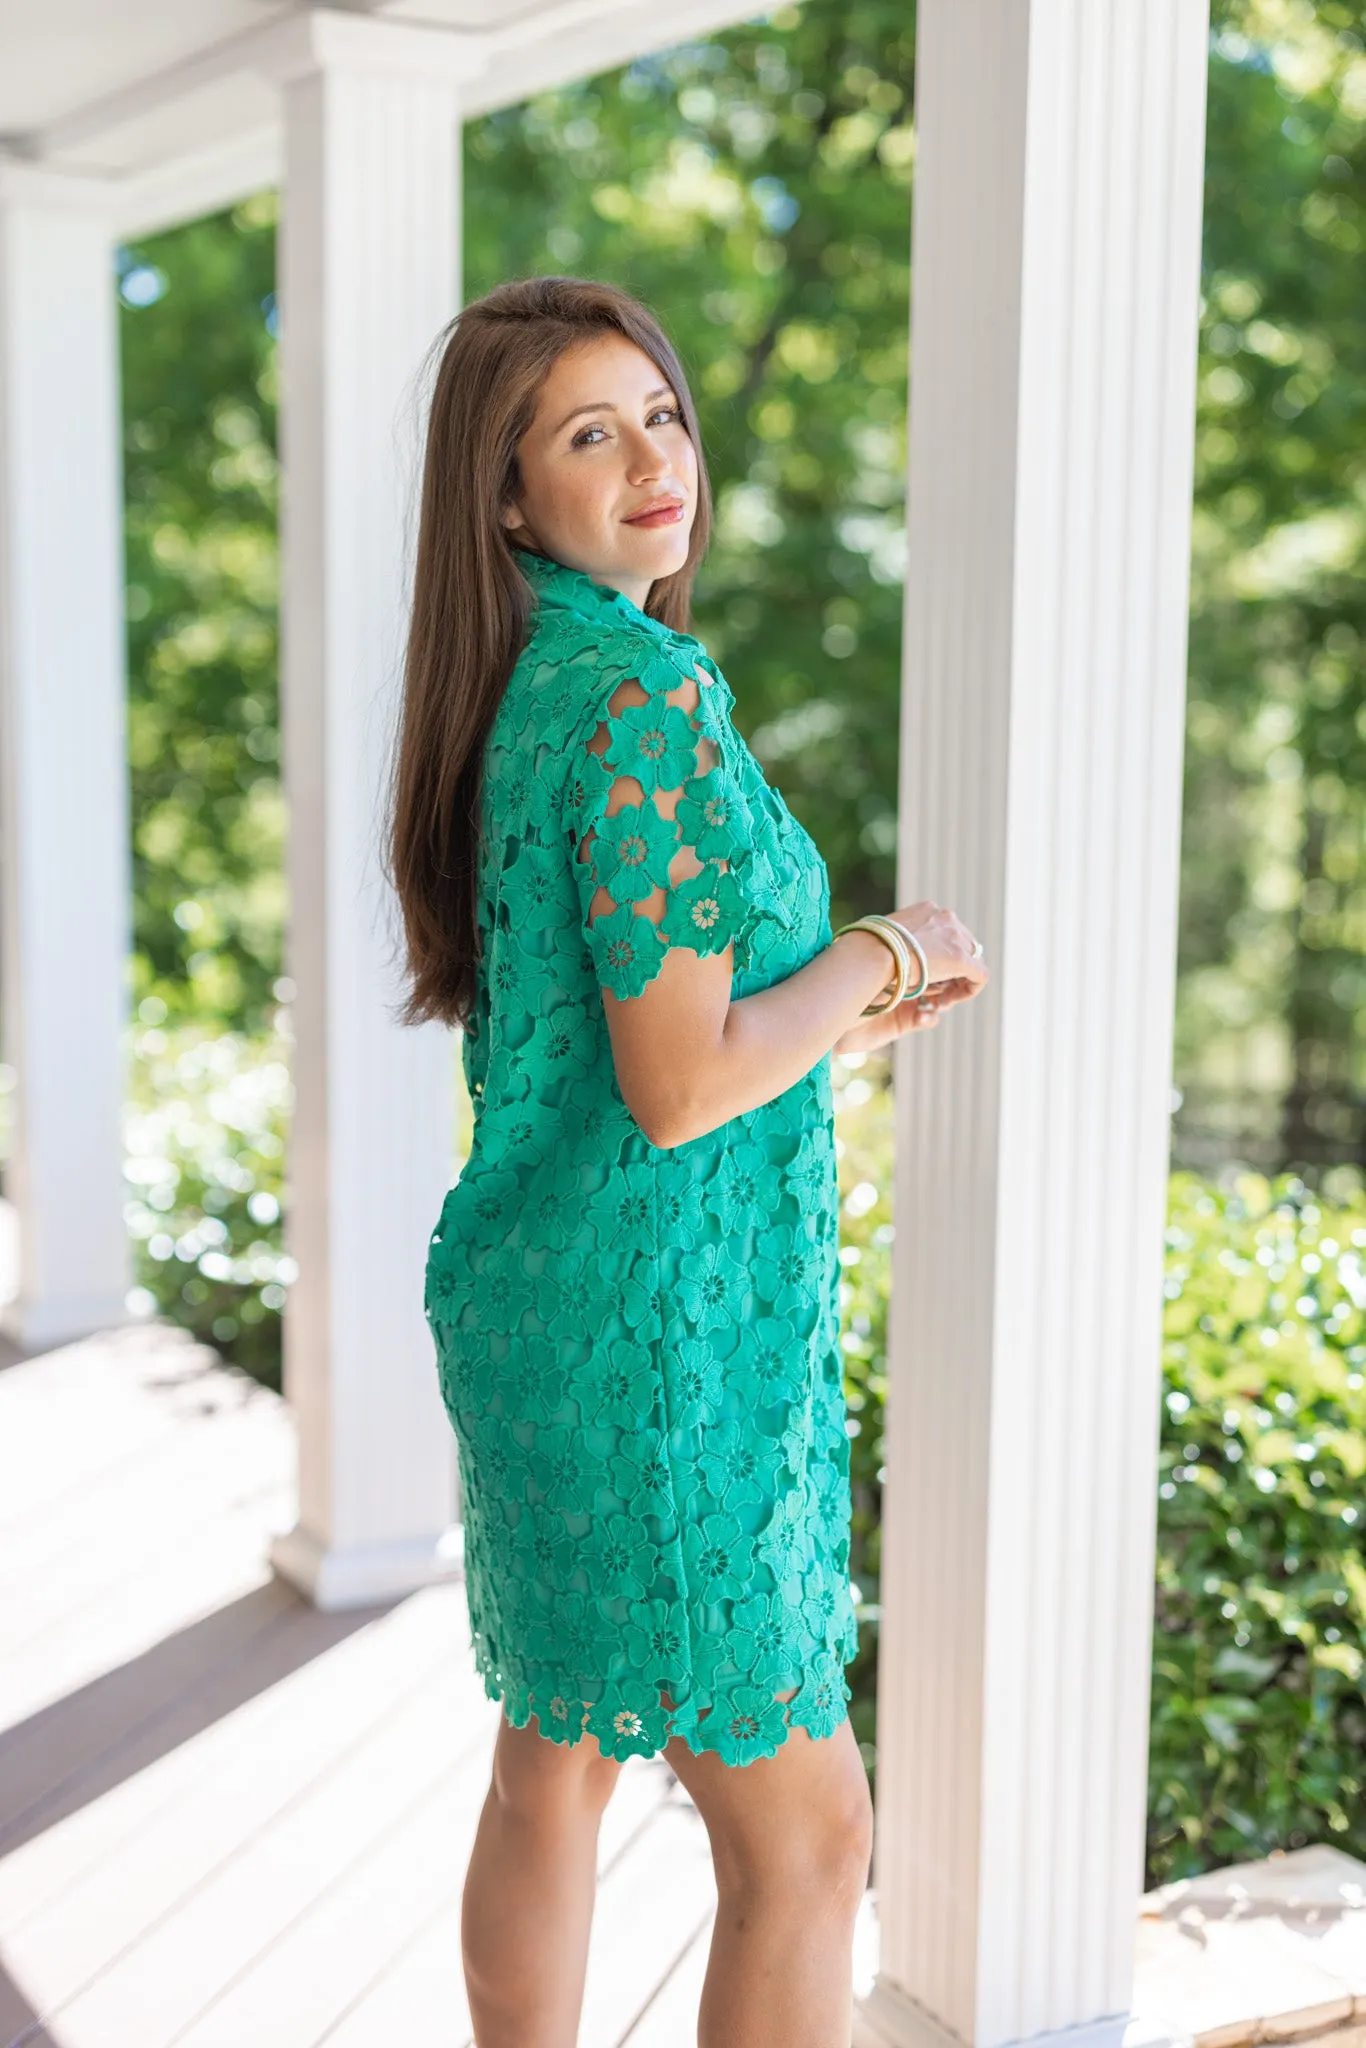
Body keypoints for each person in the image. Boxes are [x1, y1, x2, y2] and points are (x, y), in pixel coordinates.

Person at [389, 275, 988, 2048]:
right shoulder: (637, 701)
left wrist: (830, 1017)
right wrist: (879, 950)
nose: (654, 458)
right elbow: (676, 1087)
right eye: (592, 432)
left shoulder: (526, 685)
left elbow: (645, 1032)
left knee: (550, 1761)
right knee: (809, 1840)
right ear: (508, 496)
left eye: (662, 416)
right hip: (661, 1362)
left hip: (546, 1311)